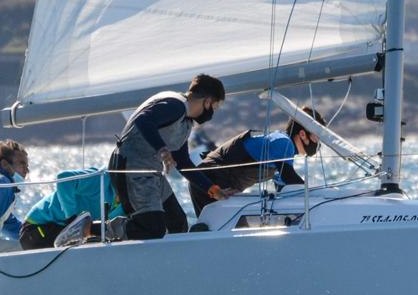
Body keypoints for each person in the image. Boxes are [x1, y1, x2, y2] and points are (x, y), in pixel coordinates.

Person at [106, 74, 225, 240]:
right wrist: (162, 150)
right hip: (130, 169)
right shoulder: (175, 105)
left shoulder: (185, 121)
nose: (212, 112)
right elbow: (143, 120)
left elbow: (183, 162)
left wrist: (213, 190)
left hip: (150, 173)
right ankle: (93, 229)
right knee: (153, 229)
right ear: (207, 101)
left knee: (178, 223)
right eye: (214, 106)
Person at [188, 107, 322, 217]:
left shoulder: (285, 151)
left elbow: (285, 187)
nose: (319, 143)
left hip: (214, 185)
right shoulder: (283, 142)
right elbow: (289, 177)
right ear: (303, 134)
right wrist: (317, 197)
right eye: (318, 137)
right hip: (209, 182)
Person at [18, 167, 124, 250]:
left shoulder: (129, 203)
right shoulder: (102, 178)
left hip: (68, 232)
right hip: (36, 228)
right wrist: (72, 218)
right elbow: (63, 178)